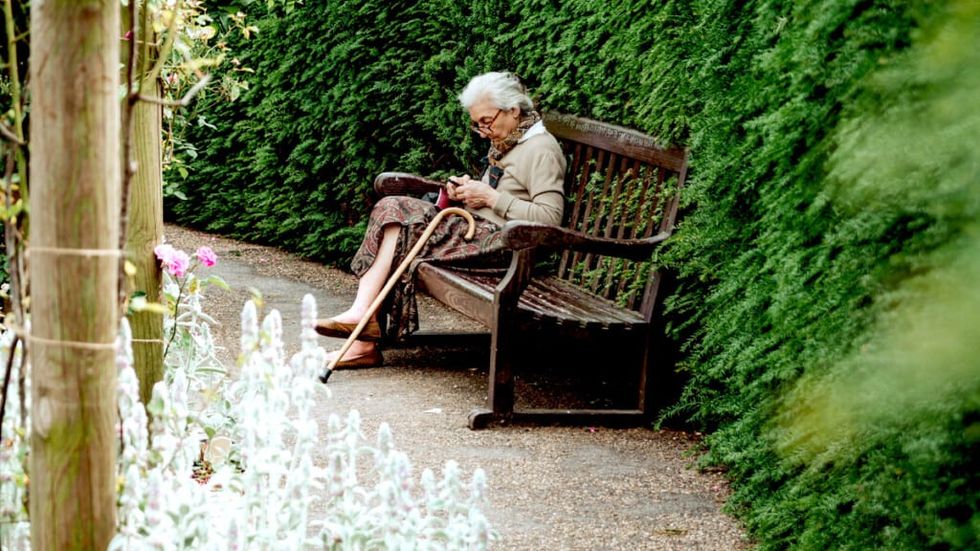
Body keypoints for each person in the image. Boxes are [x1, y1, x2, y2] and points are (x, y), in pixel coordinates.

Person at [316, 71, 566, 369]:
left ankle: (362, 332)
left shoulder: (541, 149)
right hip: (479, 234)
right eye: (477, 124)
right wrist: (465, 193)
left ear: (513, 110)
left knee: (398, 214)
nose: (483, 131)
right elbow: (500, 195)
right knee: (393, 212)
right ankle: (362, 328)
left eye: (486, 121)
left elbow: (550, 219)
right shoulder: (509, 141)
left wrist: (490, 198)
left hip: (507, 249)